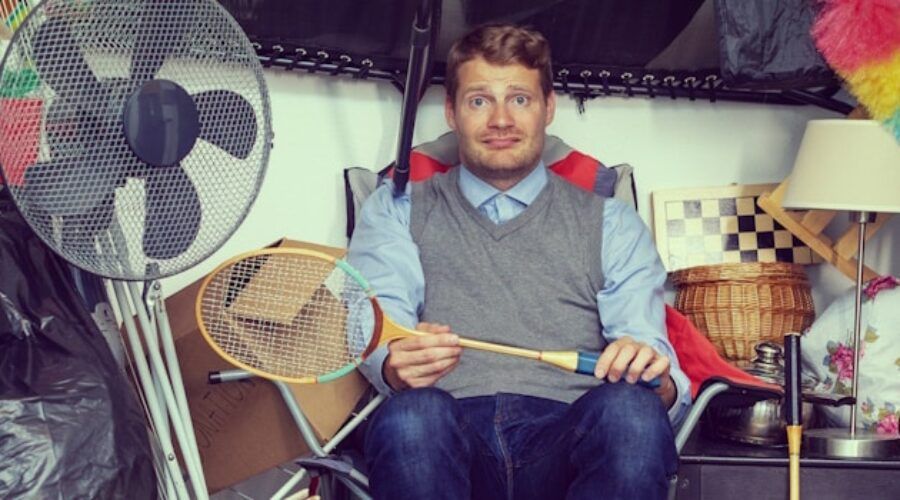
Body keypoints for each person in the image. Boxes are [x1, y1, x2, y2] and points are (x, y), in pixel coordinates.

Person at [347, 23, 690, 500]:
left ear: (548, 108)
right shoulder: (395, 209)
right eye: (479, 101)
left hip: (568, 440)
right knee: (411, 417)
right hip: (446, 437)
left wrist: (656, 378)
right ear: (451, 112)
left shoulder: (612, 222)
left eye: (520, 99)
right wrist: (392, 362)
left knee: (633, 414)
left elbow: (650, 354)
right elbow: (379, 327)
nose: (501, 120)